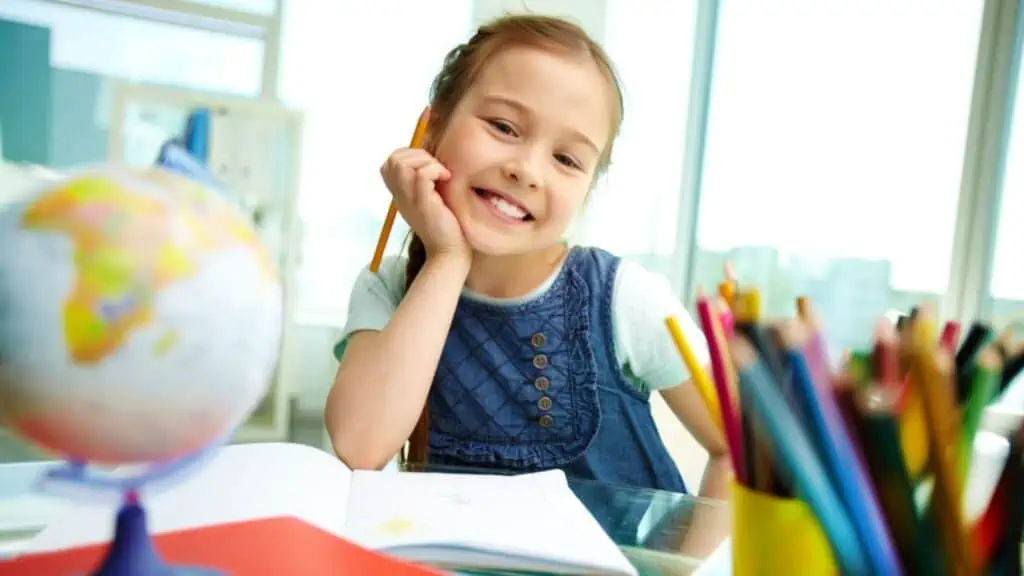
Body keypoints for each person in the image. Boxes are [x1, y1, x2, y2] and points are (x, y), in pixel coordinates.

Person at [326, 13, 730, 552]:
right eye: (504, 128)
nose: (528, 169)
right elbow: (361, 445)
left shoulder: (623, 298)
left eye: (566, 159)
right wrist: (448, 258)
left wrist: (681, 568)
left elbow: (738, 449)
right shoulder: (390, 288)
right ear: (432, 127)